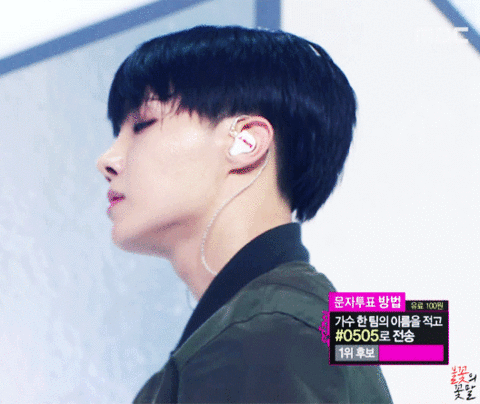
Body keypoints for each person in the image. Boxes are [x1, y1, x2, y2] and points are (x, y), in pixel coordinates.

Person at [97, 25, 392, 403]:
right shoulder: (281, 319)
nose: (107, 160)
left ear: (246, 142)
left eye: (142, 124)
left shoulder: (266, 329)